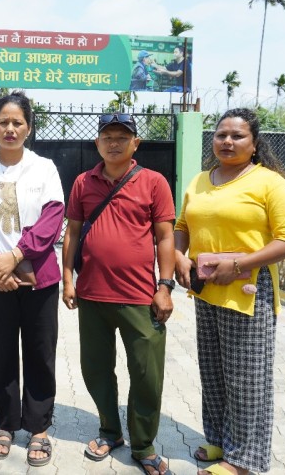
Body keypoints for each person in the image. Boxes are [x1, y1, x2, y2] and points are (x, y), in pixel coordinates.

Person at [173, 108, 285, 475]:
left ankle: (243, 460)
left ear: (254, 142)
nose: (227, 142)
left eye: (237, 136)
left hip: (248, 290)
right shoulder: (200, 180)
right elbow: (182, 224)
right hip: (205, 289)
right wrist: (179, 257)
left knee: (247, 379)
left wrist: (241, 264)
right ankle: (218, 439)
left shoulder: (270, 184)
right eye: (220, 135)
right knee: (213, 372)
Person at [62, 112, 176, 475]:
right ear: (97, 143)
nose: (114, 143)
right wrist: (68, 278)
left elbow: (165, 237)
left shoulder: (154, 182)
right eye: (107, 137)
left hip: (141, 297)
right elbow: (72, 233)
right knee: (95, 369)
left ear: (135, 144)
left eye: (122, 137)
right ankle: (110, 430)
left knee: (146, 373)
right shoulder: (83, 182)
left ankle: (143, 445)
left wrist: (165, 286)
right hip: (92, 296)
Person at [0, 92, 64, 468]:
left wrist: (15, 257)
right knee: (2, 354)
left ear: (29, 128)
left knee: (40, 352)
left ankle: (38, 428)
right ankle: (6, 423)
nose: (10, 128)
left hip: (39, 279)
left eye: (18, 122)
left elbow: (53, 220)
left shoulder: (44, 168)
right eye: (3, 121)